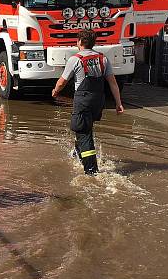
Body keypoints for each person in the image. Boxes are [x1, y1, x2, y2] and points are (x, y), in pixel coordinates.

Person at [51, 29, 123, 174]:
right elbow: (113, 83)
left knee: (83, 132)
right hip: (98, 101)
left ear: (80, 42)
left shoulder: (75, 59)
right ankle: (77, 155)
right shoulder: (103, 58)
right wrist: (118, 103)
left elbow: (62, 82)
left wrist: (55, 91)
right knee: (84, 128)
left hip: (83, 100)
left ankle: (91, 170)